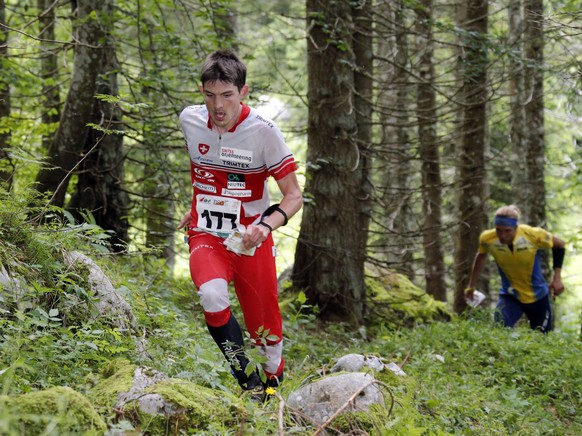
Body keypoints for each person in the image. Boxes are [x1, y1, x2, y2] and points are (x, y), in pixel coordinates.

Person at [177, 49, 303, 401]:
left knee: (266, 331)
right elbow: (204, 172)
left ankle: (272, 383)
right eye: (210, 95)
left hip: (250, 237)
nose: (218, 106)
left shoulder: (263, 132)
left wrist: (265, 226)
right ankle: (247, 381)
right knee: (212, 295)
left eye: (227, 95)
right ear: (201, 92)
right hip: (207, 233)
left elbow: (294, 196)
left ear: (243, 92)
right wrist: (199, 206)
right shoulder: (189, 119)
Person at [465, 205, 565, 333]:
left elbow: (560, 245)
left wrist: (557, 278)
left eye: (507, 230)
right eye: (498, 230)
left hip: (538, 296)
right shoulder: (487, 238)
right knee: (499, 330)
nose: (502, 235)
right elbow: (481, 256)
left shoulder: (533, 235)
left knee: (543, 339)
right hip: (510, 295)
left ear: (516, 228)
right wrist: (471, 286)